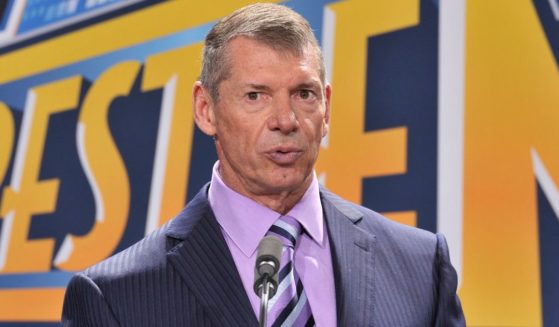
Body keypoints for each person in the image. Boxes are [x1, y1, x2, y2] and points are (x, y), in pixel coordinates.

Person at [61, 3, 465, 326]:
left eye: (303, 94)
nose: (285, 120)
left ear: (326, 108)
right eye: (256, 95)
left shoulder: (419, 266)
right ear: (206, 110)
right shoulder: (115, 298)